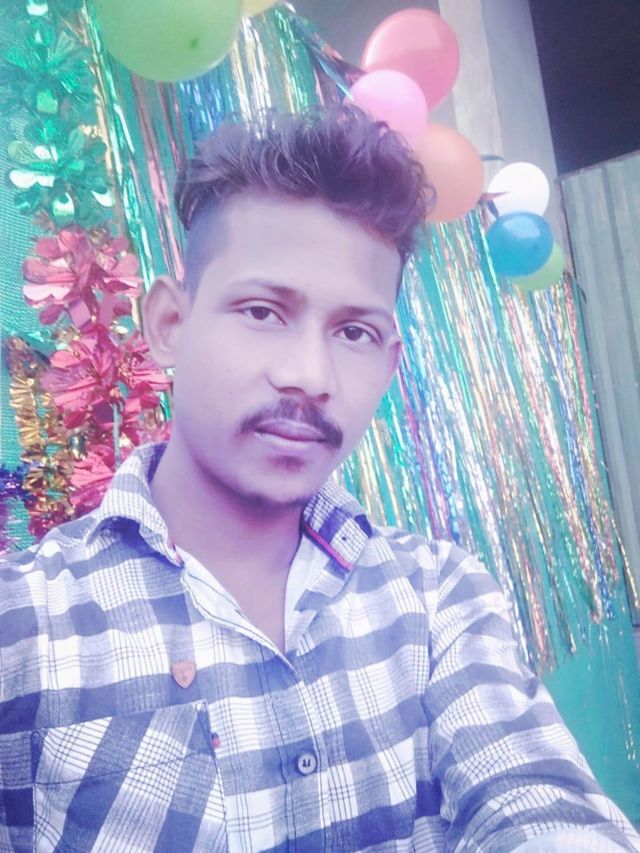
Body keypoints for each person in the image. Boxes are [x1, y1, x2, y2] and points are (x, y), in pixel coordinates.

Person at [0, 105, 638, 853]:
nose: (310, 375)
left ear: (388, 364)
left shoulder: (438, 600)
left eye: (354, 331)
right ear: (169, 325)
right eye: (263, 311)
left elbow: (539, 807)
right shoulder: (29, 625)